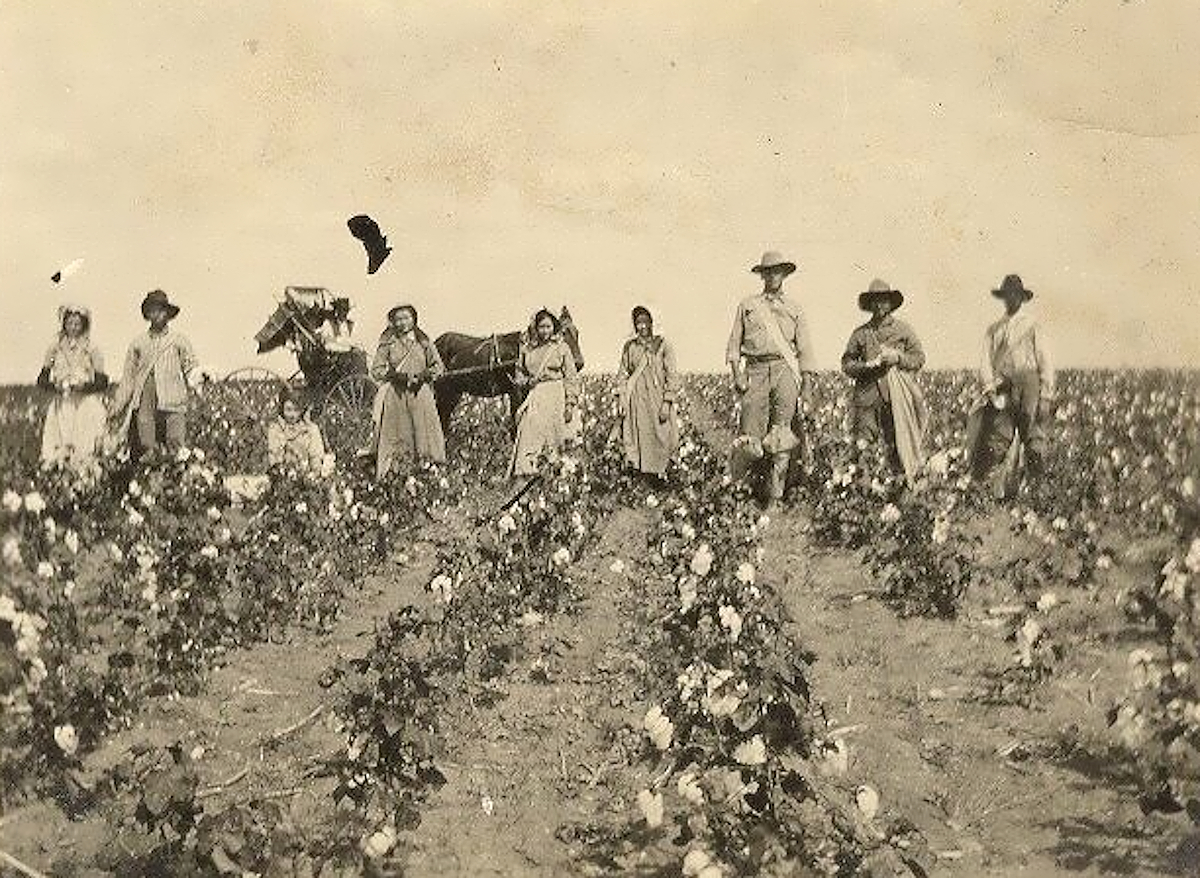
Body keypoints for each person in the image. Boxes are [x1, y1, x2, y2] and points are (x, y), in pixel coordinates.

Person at [725, 251, 817, 510]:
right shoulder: (748, 305)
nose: (773, 276)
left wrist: (807, 385)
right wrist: (737, 374)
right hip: (755, 370)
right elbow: (733, 345)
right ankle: (742, 492)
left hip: (784, 370)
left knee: (782, 435)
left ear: (784, 275)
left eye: (777, 271)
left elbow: (805, 350)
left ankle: (775, 496)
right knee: (749, 435)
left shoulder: (794, 308)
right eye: (768, 272)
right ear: (762, 275)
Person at [966, 273, 1056, 495]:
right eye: (1008, 295)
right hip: (1004, 386)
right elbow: (985, 361)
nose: (1011, 299)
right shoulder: (994, 329)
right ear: (1004, 298)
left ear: (1021, 298)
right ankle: (992, 490)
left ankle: (1037, 488)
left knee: (1033, 437)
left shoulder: (1033, 326)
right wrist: (989, 388)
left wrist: (1046, 395)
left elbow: (1045, 360)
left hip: (1029, 385)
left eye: (1015, 295)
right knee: (999, 437)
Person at [840, 279, 928, 483]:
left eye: (884, 301)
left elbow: (919, 358)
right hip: (867, 397)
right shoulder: (861, 333)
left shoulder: (903, 330)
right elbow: (847, 363)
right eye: (876, 301)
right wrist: (866, 366)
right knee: (863, 445)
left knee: (897, 443)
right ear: (870, 304)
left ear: (890, 304)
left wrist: (899, 358)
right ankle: (863, 488)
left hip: (896, 398)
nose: (880, 305)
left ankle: (898, 488)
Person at [110, 290, 202, 455]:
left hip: (173, 397)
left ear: (167, 314)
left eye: (161, 310)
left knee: (176, 443)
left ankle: (176, 466)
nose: (158, 315)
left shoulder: (178, 340)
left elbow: (191, 368)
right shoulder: (138, 343)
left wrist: (199, 380)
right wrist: (117, 405)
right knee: (147, 442)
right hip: (146, 397)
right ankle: (150, 464)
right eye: (153, 310)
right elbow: (128, 378)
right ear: (147, 314)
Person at [370, 305, 446, 479]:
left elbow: (438, 366)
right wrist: (396, 376)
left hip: (421, 395)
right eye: (398, 319)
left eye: (406, 318)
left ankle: (427, 472)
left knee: (424, 432)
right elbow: (376, 369)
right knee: (398, 433)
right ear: (393, 322)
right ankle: (397, 474)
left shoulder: (424, 341)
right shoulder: (388, 343)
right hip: (397, 396)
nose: (402, 323)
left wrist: (424, 375)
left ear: (414, 319)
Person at [37, 304, 109, 468]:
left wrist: (84, 387)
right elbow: (42, 379)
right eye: (70, 323)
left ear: (84, 325)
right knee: (60, 441)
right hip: (62, 403)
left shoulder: (92, 348)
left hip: (84, 403)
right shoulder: (55, 348)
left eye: (77, 324)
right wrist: (55, 386)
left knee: (84, 442)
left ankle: (83, 472)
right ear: (64, 324)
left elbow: (102, 382)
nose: (73, 327)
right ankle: (59, 471)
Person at [510, 308, 579, 477]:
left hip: (556, 395)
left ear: (554, 327)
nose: (545, 331)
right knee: (530, 434)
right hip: (537, 395)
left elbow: (571, 376)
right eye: (541, 327)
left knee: (557, 436)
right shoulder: (528, 350)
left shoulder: (561, 348)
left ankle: (558, 474)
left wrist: (570, 404)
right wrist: (528, 382)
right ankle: (531, 473)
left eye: (548, 326)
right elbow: (519, 374)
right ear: (536, 328)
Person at [619, 306, 679, 481]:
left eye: (646, 322)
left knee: (661, 433)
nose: (642, 326)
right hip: (636, 399)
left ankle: (661, 474)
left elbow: (671, 374)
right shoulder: (630, 347)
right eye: (638, 322)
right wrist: (622, 397)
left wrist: (667, 402)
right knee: (638, 434)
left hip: (656, 397)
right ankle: (641, 474)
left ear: (653, 322)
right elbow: (623, 373)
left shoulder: (663, 345)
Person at [266, 388, 328, 474]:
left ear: (302, 410)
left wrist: (313, 472)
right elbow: (273, 457)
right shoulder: (275, 429)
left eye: (296, 410)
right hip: (282, 475)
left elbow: (316, 456)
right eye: (288, 410)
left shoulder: (311, 429)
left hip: (306, 475)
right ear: (282, 409)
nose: (292, 415)